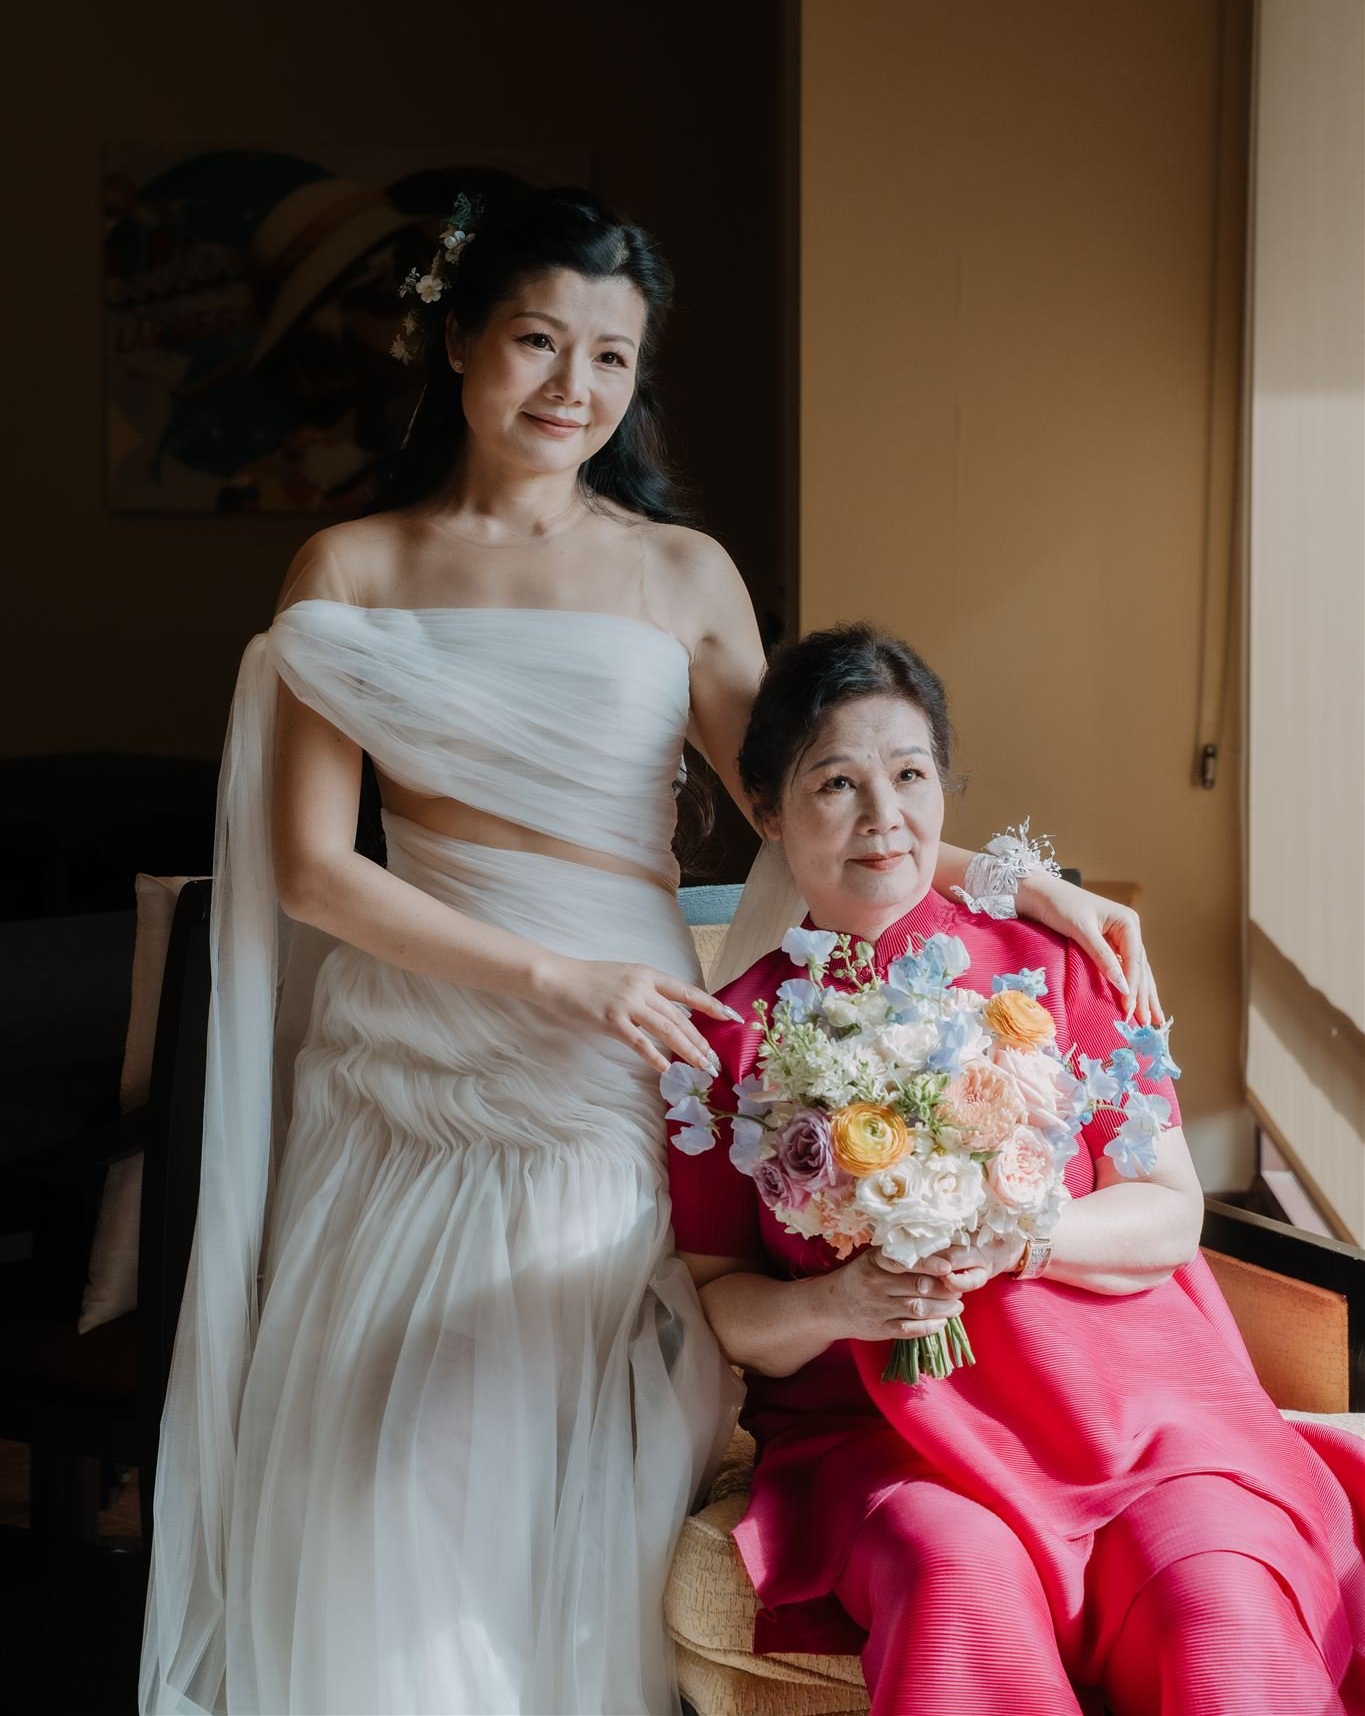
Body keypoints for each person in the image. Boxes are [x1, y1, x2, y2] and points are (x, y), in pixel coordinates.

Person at [140, 189, 1163, 1716]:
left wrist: (1022, 879)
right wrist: (556, 982)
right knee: (395, 1436)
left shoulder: (678, 574)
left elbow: (805, 800)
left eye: (611, 357)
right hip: (425, 1046)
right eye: (538, 341)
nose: (573, 388)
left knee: (591, 1406)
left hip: (628, 1062)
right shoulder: (347, 572)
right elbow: (306, 869)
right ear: (458, 345)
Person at [669, 623, 1365, 1716]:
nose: (883, 816)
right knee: (956, 1581)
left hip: (1137, 1415)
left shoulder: (1060, 963)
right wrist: (841, 1299)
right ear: (767, 810)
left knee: (1220, 1601)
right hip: (890, 1443)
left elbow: (1170, 1212)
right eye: (835, 783)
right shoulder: (734, 1044)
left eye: (909, 774)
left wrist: (1027, 1233)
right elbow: (724, 1305)